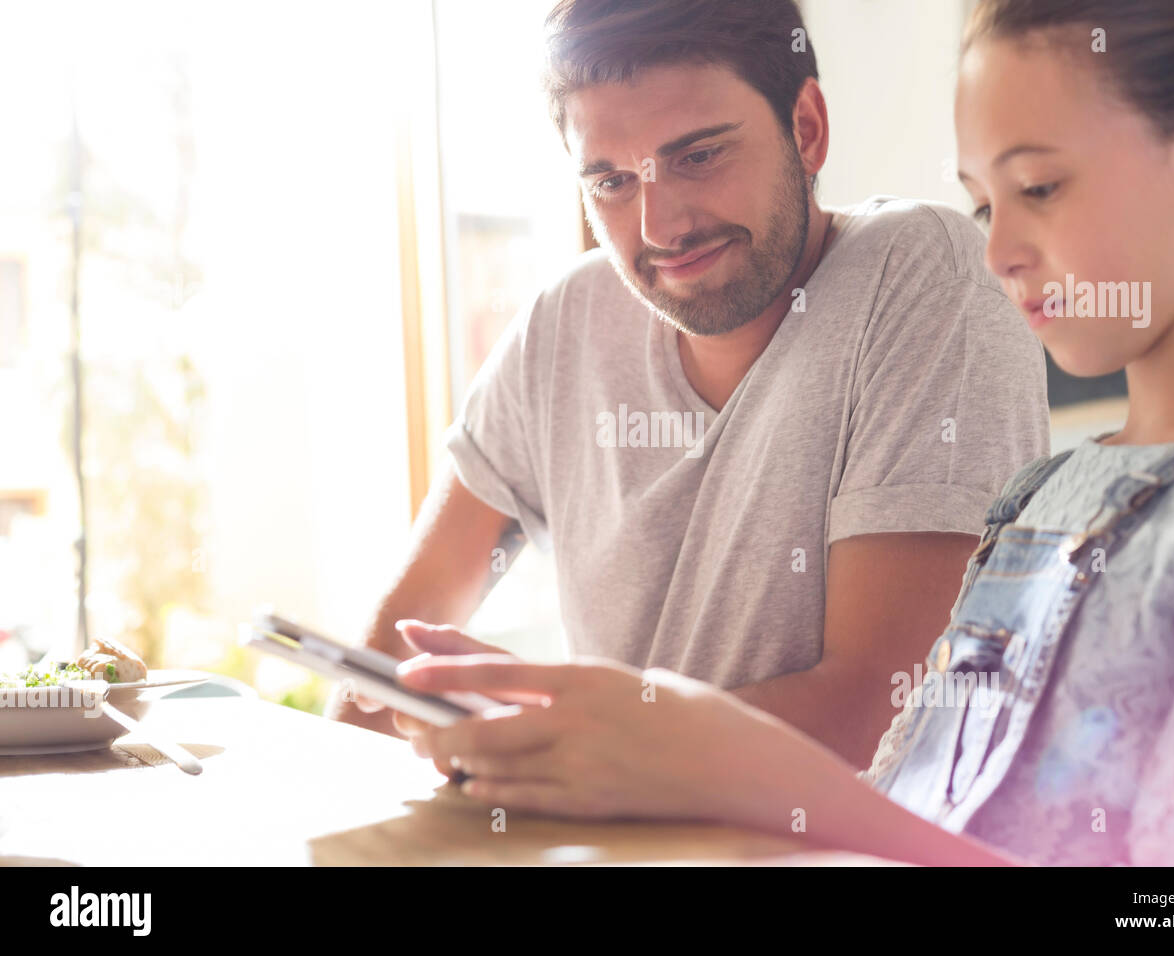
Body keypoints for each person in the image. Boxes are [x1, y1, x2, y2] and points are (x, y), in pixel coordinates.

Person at [385, 0, 1174, 867]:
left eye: (1041, 187)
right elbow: (919, 812)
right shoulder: (1040, 501)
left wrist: (703, 749)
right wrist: (647, 736)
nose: (997, 253)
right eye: (985, 204)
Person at [330, 0, 1049, 771]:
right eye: (609, 181)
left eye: (698, 156)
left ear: (806, 129)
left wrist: (570, 735)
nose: (661, 226)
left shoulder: (919, 277)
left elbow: (884, 708)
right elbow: (383, 678)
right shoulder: (564, 325)